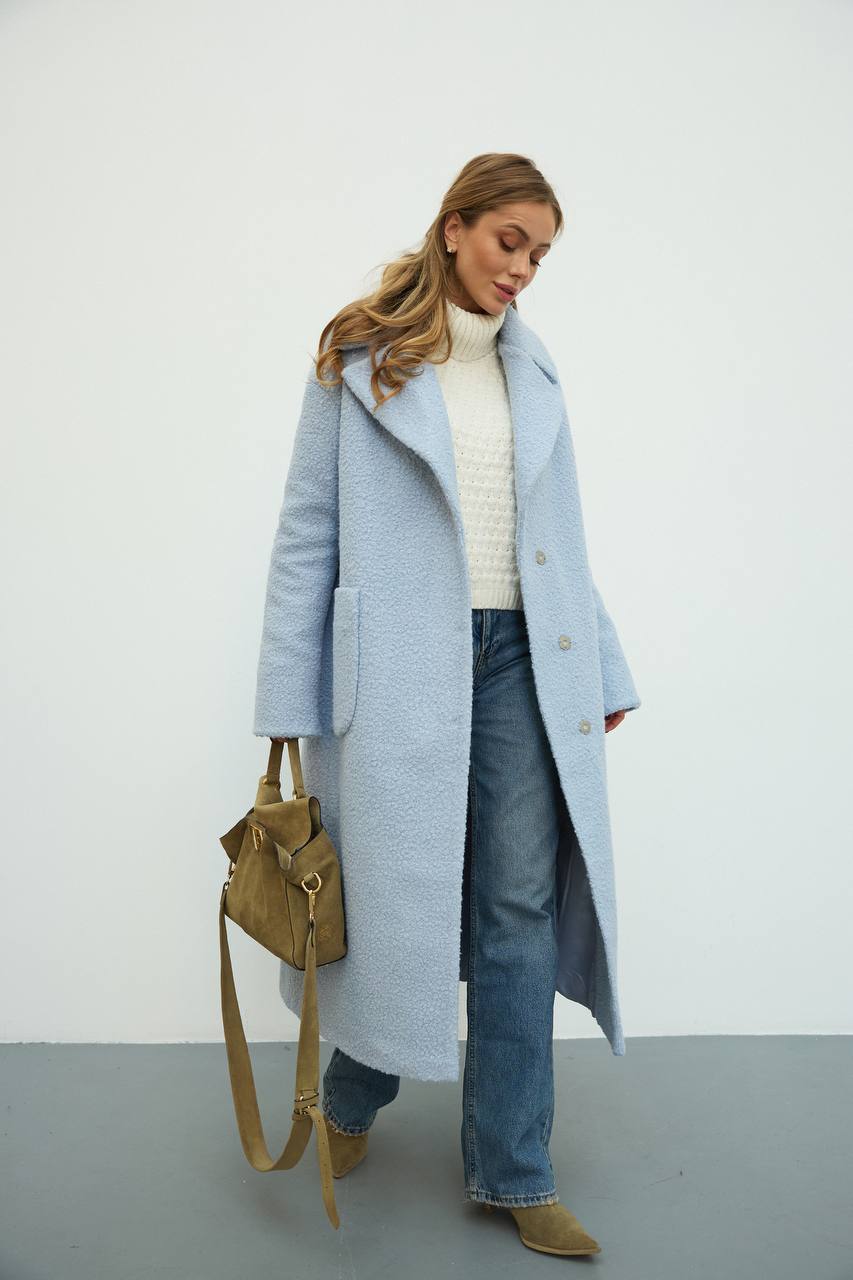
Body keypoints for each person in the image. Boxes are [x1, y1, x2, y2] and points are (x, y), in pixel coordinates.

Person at [255, 153, 640, 1257]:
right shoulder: (358, 355)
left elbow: (557, 541)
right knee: (398, 898)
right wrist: (288, 694)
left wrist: (599, 669)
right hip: (404, 662)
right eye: (510, 240)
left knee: (515, 902)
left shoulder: (538, 372)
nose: (523, 268)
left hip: (524, 654)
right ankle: (350, 1102)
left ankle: (515, 1166)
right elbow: (305, 536)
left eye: (541, 253)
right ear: (456, 226)